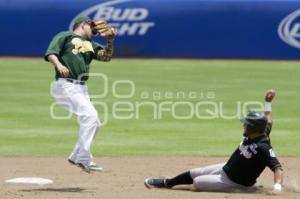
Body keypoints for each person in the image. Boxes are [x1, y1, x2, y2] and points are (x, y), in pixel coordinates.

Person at [144, 89, 283, 194]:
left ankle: (248, 189)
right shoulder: (260, 130)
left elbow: (277, 167)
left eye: (246, 124)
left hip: (233, 182)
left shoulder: (263, 147)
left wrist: (277, 186)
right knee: (195, 172)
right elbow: (268, 117)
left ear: (253, 128)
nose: (244, 125)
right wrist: (268, 102)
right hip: (225, 169)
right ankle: (167, 182)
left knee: (197, 183)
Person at [44, 16, 115, 173]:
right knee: (90, 116)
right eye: (92, 28)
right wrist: (59, 65)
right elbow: (51, 53)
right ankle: (84, 159)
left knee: (94, 121)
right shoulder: (65, 36)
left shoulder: (91, 44)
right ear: (83, 25)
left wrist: (110, 40)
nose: (95, 32)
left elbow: (106, 57)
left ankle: (76, 156)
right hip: (65, 84)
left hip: (81, 89)